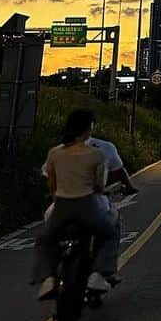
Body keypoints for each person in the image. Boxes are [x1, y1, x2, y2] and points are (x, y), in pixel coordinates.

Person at [32, 109, 119, 299]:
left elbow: (52, 185)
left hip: (62, 207)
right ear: (89, 128)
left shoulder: (55, 153)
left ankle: (48, 278)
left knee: (45, 239)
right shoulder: (96, 154)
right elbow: (99, 186)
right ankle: (98, 274)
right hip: (88, 205)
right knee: (109, 235)